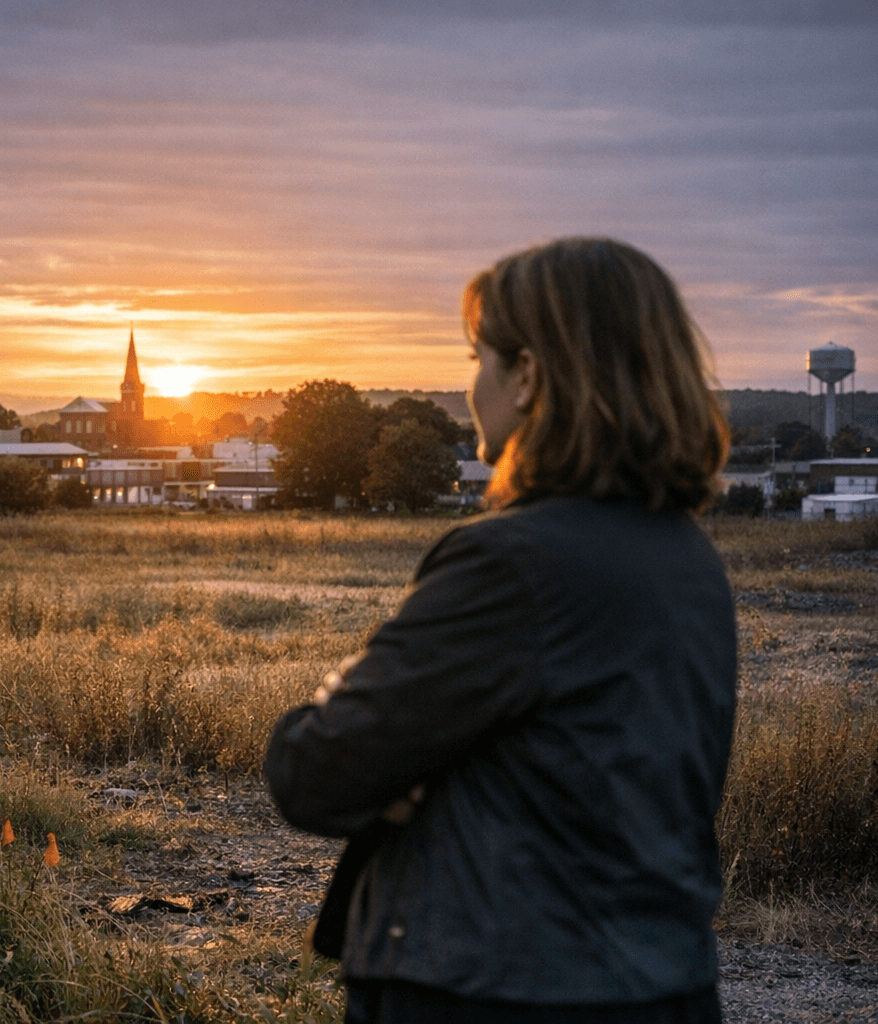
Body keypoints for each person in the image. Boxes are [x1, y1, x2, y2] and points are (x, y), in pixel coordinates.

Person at [266, 238, 736, 1023]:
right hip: (663, 985)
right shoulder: (688, 560)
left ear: (528, 376)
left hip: (496, 989)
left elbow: (314, 770)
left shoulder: (514, 562)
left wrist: (359, 719)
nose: (469, 382)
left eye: (476, 355)